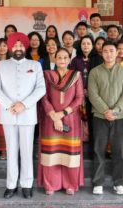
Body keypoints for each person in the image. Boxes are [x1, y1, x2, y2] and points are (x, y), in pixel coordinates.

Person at [0, 32, 46, 199]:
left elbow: (41, 88)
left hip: (27, 115)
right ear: (10, 47)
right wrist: (10, 105)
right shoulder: (1, 65)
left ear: (26, 46)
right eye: (15, 45)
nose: (18, 48)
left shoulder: (35, 65)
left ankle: (27, 184)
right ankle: (11, 185)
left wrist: (24, 104)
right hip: (8, 115)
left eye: (21, 45)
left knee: (27, 151)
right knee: (12, 151)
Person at [38, 48, 84, 195]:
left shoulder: (76, 75)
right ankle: (50, 184)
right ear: (54, 59)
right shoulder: (47, 75)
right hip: (50, 119)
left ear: (70, 59)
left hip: (70, 119)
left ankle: (70, 184)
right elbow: (44, 98)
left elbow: (79, 98)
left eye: (65, 57)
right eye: (59, 57)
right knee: (51, 151)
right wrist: (53, 115)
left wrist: (62, 114)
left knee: (69, 152)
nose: (62, 60)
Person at [89, 40, 123, 195]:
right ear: (102, 53)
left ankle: (119, 182)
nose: (108, 54)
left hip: (119, 117)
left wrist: (115, 110)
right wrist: (105, 110)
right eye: (105, 51)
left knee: (118, 151)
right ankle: (98, 182)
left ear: (117, 52)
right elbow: (93, 95)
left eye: (111, 51)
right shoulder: (94, 72)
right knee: (98, 149)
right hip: (99, 116)